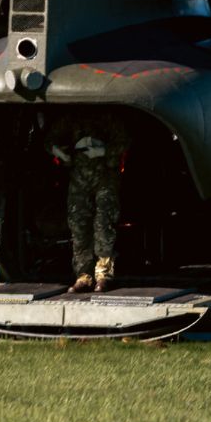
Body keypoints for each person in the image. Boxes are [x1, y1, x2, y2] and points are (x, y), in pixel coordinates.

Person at [52, 111, 130, 293]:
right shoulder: (70, 118)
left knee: (103, 224)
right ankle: (83, 276)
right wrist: (61, 153)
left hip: (105, 177)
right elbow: (50, 140)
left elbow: (124, 141)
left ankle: (103, 274)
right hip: (79, 178)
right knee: (79, 226)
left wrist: (103, 151)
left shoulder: (107, 116)